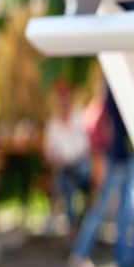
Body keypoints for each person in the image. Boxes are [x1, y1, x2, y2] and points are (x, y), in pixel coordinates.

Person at [71, 89, 134, 267]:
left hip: (122, 156)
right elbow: (108, 123)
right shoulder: (115, 85)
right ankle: (80, 254)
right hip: (116, 157)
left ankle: (125, 262)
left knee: (125, 210)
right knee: (103, 209)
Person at [43, 80, 90, 231]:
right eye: (60, 95)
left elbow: (87, 145)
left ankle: (81, 224)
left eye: (65, 94)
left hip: (81, 164)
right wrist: (56, 159)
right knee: (65, 182)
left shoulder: (80, 116)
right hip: (64, 167)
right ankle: (74, 226)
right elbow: (48, 151)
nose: (63, 99)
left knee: (76, 174)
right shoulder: (53, 123)